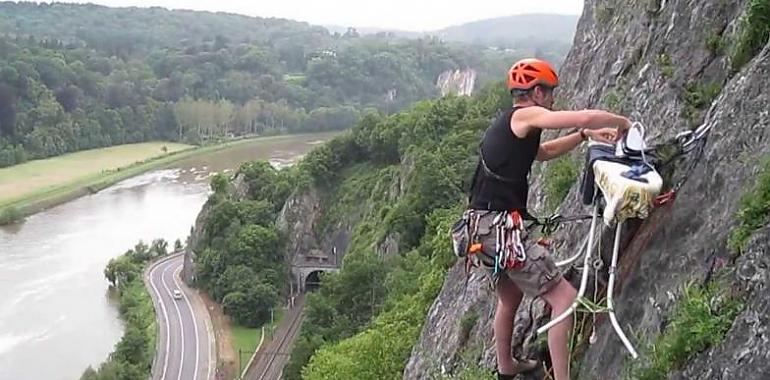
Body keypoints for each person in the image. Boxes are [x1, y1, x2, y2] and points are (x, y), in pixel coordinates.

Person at [466, 58, 631, 380]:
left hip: (481, 229)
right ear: (537, 92)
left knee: (510, 296)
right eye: (551, 92)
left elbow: (545, 153)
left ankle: (507, 368)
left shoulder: (515, 126)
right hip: (500, 230)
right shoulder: (526, 115)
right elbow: (580, 114)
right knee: (565, 299)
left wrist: (584, 135)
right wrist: (623, 122)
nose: (554, 99)